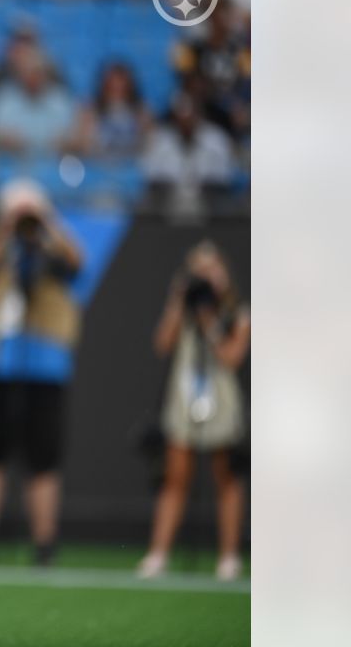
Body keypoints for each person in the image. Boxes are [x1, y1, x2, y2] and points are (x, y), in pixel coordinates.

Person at [0, 180, 84, 567]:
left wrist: (47, 225)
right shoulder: (1, 254)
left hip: (47, 368)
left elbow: (78, 262)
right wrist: (2, 235)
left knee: (43, 459)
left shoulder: (54, 253)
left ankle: (45, 546)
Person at [137, 241, 250, 581]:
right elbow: (162, 344)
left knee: (226, 478)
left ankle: (228, 557)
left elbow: (231, 358)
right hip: (184, 399)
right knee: (175, 478)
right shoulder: (184, 309)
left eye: (211, 270)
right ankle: (158, 554)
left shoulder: (237, 313)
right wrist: (178, 299)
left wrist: (209, 319)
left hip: (221, 400)